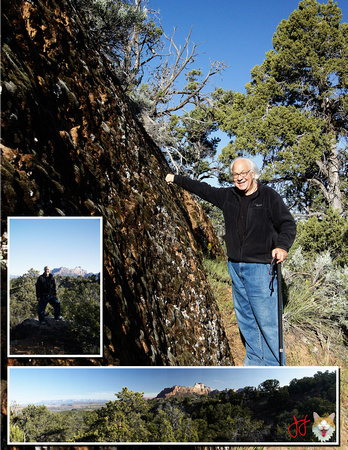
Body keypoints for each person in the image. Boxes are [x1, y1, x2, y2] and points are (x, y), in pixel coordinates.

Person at [166, 157, 296, 366]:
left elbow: (288, 224)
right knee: (247, 319)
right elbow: (202, 189)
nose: (240, 178)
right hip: (235, 267)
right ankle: (254, 363)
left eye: (244, 173)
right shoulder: (228, 196)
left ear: (253, 174)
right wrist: (175, 178)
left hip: (262, 268)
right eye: (236, 174)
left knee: (268, 322)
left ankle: (274, 368)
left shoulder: (269, 196)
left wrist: (282, 246)